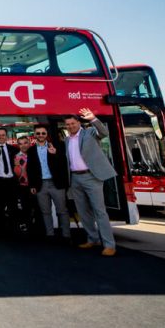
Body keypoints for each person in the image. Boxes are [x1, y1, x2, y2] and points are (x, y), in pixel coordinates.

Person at [65, 108, 118, 256]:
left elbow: (104, 133)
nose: (70, 126)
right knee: (83, 212)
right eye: (68, 124)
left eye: (73, 123)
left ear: (78, 123)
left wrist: (93, 119)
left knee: (99, 212)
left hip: (91, 177)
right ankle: (92, 239)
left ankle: (109, 245)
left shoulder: (89, 133)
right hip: (75, 178)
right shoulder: (67, 139)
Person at [27, 124, 70, 242]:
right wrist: (32, 185)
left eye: (43, 133)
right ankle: (50, 235)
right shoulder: (31, 150)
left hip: (56, 183)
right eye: (38, 133)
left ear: (47, 134)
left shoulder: (57, 146)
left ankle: (66, 235)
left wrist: (55, 154)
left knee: (62, 210)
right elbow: (30, 169)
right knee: (45, 211)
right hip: (40, 184)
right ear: (34, 135)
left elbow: (64, 165)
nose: (41, 135)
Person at [13, 136, 38, 234]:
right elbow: (17, 174)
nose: (23, 145)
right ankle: (28, 230)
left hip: (36, 186)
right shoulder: (16, 157)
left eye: (25, 143)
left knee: (38, 209)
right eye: (20, 143)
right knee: (26, 209)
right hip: (23, 187)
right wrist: (16, 165)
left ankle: (38, 229)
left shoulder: (35, 154)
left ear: (30, 143)